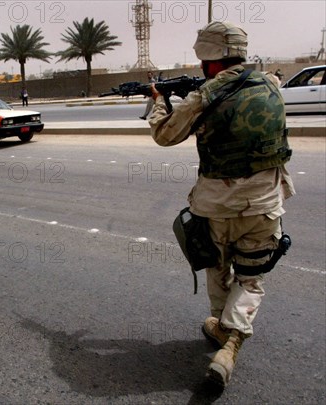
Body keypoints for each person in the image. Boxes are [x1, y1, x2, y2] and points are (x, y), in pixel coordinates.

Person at [147, 21, 295, 388]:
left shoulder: (204, 96)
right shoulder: (273, 85)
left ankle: (224, 335)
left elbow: (165, 135)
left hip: (216, 206)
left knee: (217, 267)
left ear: (207, 60)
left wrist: (157, 104)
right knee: (251, 277)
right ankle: (229, 340)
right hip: (265, 204)